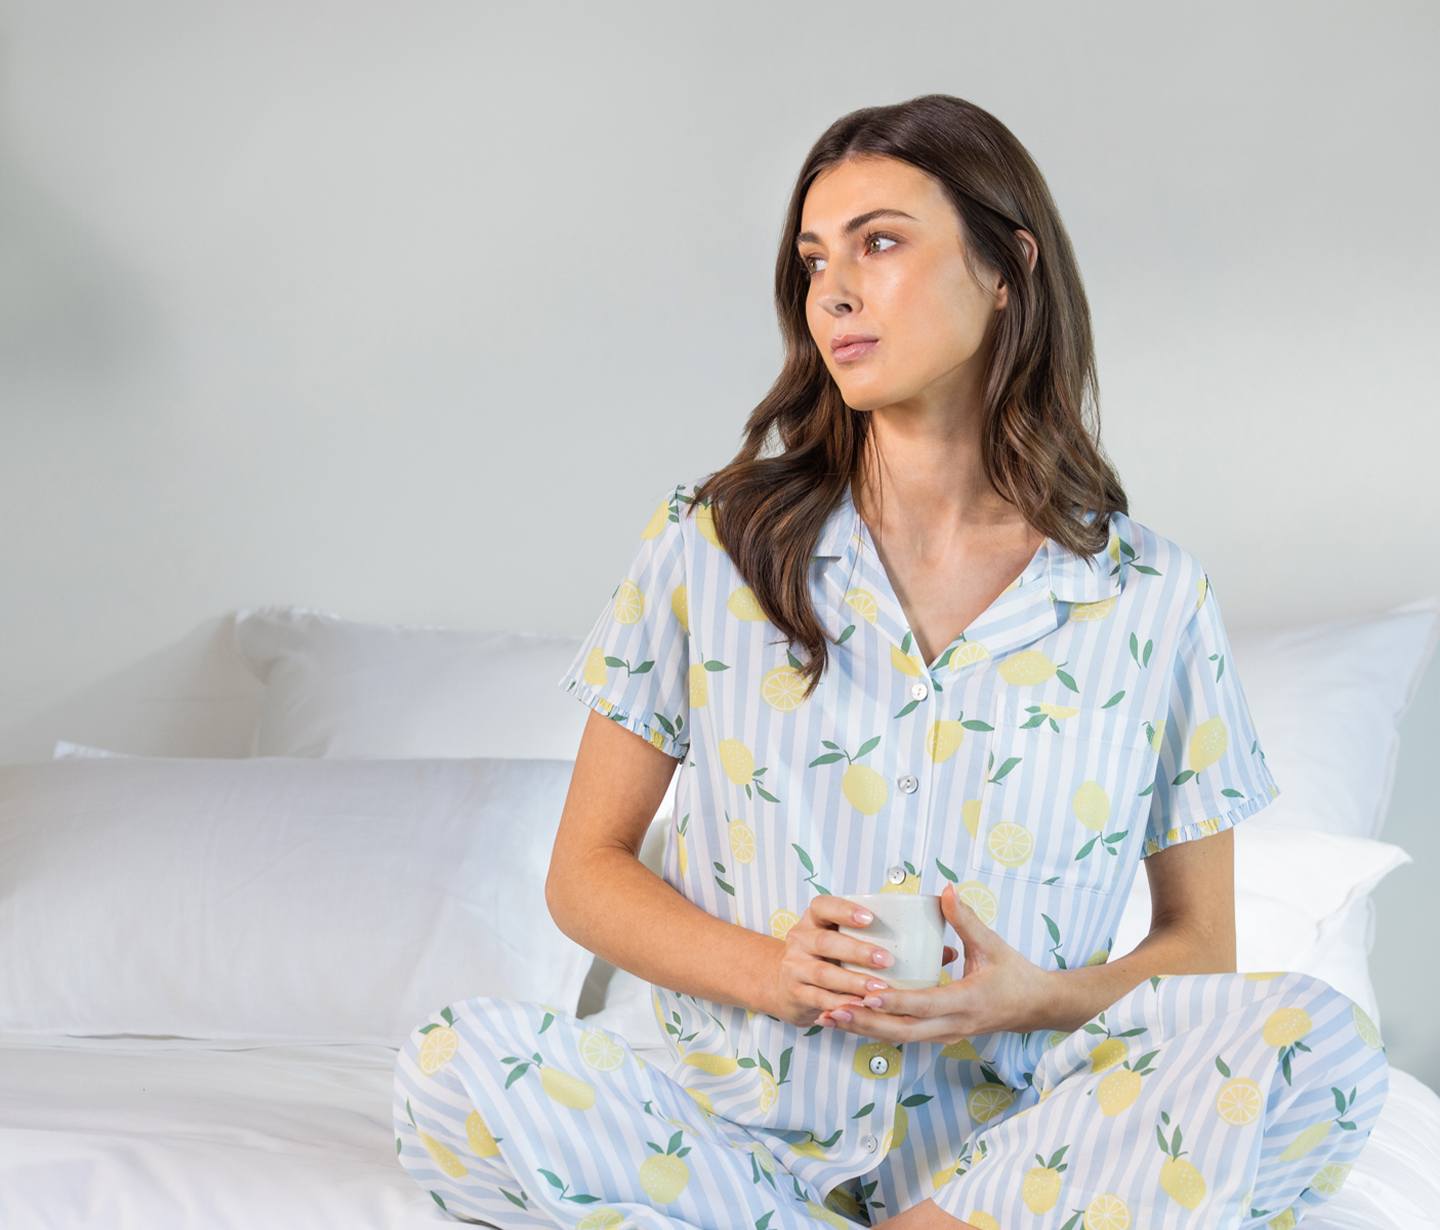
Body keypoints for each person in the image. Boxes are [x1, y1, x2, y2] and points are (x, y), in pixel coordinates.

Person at [394, 94, 1386, 1229]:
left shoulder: (1151, 598)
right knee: (455, 1069)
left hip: (1015, 1153)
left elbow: (1201, 949)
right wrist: (775, 973)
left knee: (1316, 1046)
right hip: (732, 1132)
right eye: (816, 258)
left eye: (879, 242)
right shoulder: (711, 547)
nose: (833, 291)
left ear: (1006, 267)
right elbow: (586, 871)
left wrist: (1034, 998)